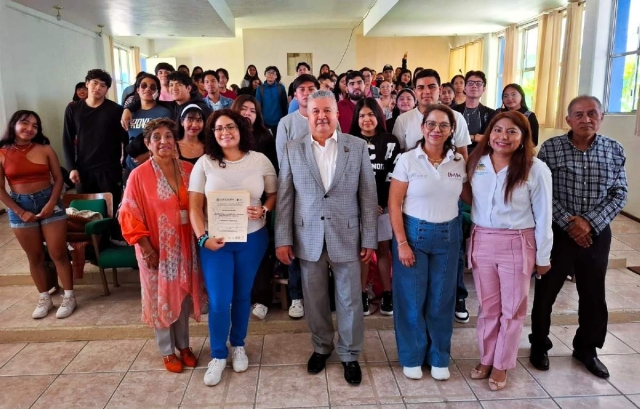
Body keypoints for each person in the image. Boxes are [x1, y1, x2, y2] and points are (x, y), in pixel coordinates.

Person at [275, 90, 378, 386]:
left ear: (337, 114)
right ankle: (321, 347)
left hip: (347, 234)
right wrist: (283, 238)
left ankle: (349, 354)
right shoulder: (293, 149)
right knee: (315, 298)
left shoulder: (356, 147)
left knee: (349, 299)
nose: (321, 116)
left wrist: (369, 238)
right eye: (315, 110)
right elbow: (285, 197)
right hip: (307, 235)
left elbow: (368, 195)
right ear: (306, 113)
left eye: (327, 111)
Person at [529, 96, 628, 379]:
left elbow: (619, 193)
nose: (586, 119)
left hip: (596, 233)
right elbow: (543, 193)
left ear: (601, 116)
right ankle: (539, 343)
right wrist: (569, 223)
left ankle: (587, 348)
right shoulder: (552, 148)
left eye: (592, 113)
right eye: (579, 114)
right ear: (568, 119)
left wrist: (589, 223)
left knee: (593, 293)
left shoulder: (613, 149)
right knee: (546, 291)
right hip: (558, 232)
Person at [189, 109, 277, 387]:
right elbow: (193, 207)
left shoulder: (260, 161)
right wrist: (203, 237)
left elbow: (273, 194)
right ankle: (217, 354)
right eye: (218, 128)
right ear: (212, 134)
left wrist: (263, 208)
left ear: (241, 129)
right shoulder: (204, 163)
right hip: (216, 243)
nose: (225, 132)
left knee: (242, 296)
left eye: (230, 127)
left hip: (253, 239)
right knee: (218, 299)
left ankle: (238, 344)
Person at [466, 111, 552, 391]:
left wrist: (542, 257)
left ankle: (502, 363)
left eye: (512, 131)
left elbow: (543, 216)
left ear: (524, 137)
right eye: (498, 130)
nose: (503, 136)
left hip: (517, 242)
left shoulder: (535, 169)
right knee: (488, 307)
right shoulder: (477, 162)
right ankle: (487, 357)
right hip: (483, 240)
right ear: (489, 134)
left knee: (512, 309)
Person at [388, 104, 468, 382]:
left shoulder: (459, 161)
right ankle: (411, 356)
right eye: (431, 124)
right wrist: (401, 243)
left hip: (449, 235)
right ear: (422, 128)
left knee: (441, 300)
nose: (436, 130)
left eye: (443, 125)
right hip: (413, 235)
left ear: (451, 130)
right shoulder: (408, 159)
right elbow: (394, 203)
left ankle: (438, 356)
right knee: (411, 299)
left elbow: (470, 196)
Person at [119, 118, 204, 373]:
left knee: (183, 295)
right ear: (147, 143)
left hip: (187, 245)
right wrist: (146, 249)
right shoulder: (139, 175)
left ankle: (184, 345)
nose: (164, 141)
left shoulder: (189, 170)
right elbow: (129, 214)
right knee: (160, 299)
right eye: (157, 137)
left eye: (168, 136)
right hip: (155, 248)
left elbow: (203, 204)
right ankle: (167, 350)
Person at [0, 110, 76, 319]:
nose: (30, 129)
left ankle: (69, 296)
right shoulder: (2, 152)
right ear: (14, 124)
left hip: (49, 202)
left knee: (58, 252)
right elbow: (0, 189)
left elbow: (59, 179)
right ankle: (44, 297)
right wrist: (20, 211)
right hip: (19, 206)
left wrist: (52, 204)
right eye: (25, 123)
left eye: (35, 126)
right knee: (34, 257)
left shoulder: (45, 149)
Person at [274, 74, 320, 319]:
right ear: (294, 95)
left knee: (319, 247)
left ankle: (318, 297)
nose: (306, 93)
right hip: (295, 190)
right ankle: (296, 297)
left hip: (323, 192)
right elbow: (284, 160)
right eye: (301, 89)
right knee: (295, 244)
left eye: (311, 88)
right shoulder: (287, 123)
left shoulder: (326, 119)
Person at [349, 98, 400, 316]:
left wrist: (380, 203)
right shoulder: (348, 141)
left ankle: (387, 292)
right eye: (362, 115)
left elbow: (394, 175)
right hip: (357, 209)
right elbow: (347, 178)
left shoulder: (390, 141)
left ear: (378, 117)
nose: (366, 119)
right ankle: (361, 294)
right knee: (362, 252)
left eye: (371, 114)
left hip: (383, 206)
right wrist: (365, 205)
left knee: (382, 249)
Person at [63, 69, 129, 216]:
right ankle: (91, 240)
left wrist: (125, 163)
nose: (98, 88)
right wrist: (71, 168)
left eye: (103, 85)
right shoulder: (73, 109)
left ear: (107, 89)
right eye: (95, 83)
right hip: (83, 169)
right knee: (85, 212)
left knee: (110, 210)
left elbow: (125, 139)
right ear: (87, 84)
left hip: (109, 169)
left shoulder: (116, 110)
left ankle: (110, 238)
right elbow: (67, 139)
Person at [392, 69, 471, 158]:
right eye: (421, 87)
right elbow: (400, 155)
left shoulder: (456, 118)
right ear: (415, 91)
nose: (426, 92)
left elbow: (462, 154)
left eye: (431, 87)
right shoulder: (403, 120)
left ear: (440, 89)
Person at [124, 73, 172, 171]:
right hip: (131, 166)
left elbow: (166, 140)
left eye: (153, 87)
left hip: (154, 165)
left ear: (157, 92)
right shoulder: (129, 113)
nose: (148, 89)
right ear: (138, 89)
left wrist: (147, 155)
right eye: (144, 85)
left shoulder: (163, 113)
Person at [453, 71, 496, 154]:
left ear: (484, 89)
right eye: (470, 83)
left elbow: (493, 137)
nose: (474, 86)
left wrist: (472, 137)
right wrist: (477, 137)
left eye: (478, 84)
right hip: (456, 154)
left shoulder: (491, 114)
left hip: (482, 155)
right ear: (464, 88)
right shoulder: (453, 111)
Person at [231, 95, 278, 172]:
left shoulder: (265, 136)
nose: (247, 113)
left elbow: (273, 165)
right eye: (243, 109)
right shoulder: (226, 134)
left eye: (253, 111)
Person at [256, 66, 288, 136]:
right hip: (264, 122)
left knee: (278, 143)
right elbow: (257, 105)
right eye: (268, 73)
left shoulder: (281, 88)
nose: (271, 74)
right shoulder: (260, 88)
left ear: (276, 76)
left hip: (279, 121)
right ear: (265, 75)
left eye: (273, 73)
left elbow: (284, 104)